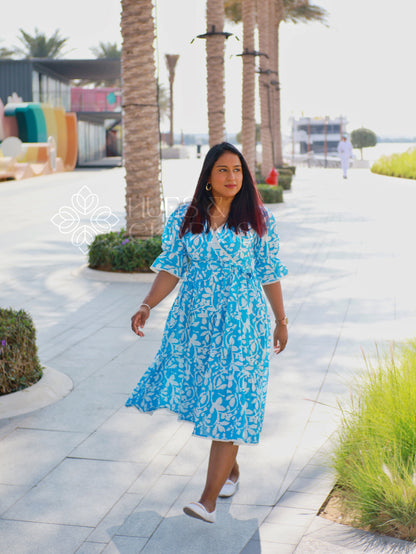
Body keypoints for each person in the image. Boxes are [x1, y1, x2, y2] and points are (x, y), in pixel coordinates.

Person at [126, 142, 288, 524]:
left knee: (229, 401)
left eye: (237, 170)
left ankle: (207, 501)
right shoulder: (187, 216)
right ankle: (230, 469)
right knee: (209, 398)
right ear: (208, 177)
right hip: (195, 323)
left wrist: (281, 320)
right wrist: (147, 304)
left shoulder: (258, 218)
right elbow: (172, 268)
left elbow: (269, 272)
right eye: (223, 170)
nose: (232, 177)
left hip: (242, 323)